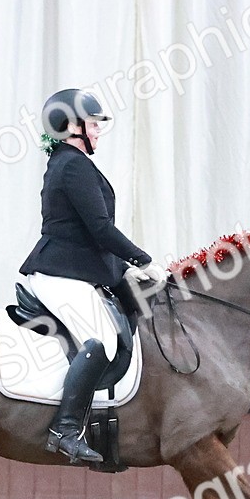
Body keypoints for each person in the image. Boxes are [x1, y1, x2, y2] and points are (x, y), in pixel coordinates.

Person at [19, 88, 167, 463]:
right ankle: (65, 430)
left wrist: (128, 276)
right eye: (93, 123)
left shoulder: (71, 163)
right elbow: (100, 230)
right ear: (70, 126)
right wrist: (143, 260)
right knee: (102, 340)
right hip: (60, 274)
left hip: (76, 270)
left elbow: (91, 237)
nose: (99, 130)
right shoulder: (72, 165)